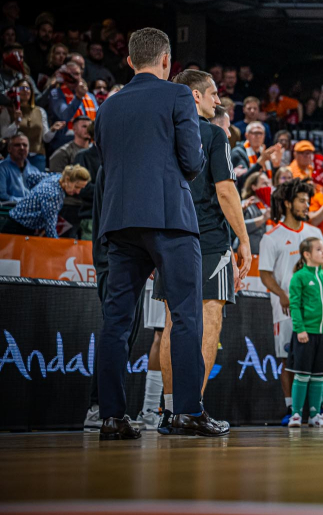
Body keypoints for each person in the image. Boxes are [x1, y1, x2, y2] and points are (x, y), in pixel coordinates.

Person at [94, 28, 224, 439]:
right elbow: (191, 160)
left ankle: (112, 417)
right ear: (166, 61)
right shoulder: (178, 95)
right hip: (170, 218)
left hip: (119, 221)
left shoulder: (107, 107)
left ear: (130, 61)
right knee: (186, 315)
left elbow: (106, 166)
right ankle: (187, 410)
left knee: (116, 322)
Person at [155, 69, 252, 434]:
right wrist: (243, 240)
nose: (218, 101)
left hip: (167, 234)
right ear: (195, 96)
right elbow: (226, 192)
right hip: (208, 238)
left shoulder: (163, 132)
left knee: (172, 322)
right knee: (209, 320)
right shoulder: (213, 133)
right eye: (213, 95)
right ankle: (191, 410)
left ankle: (168, 410)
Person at [258, 178, 323, 424]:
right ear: (288, 204)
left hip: (317, 312)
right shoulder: (272, 236)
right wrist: (282, 294)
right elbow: (265, 274)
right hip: (285, 310)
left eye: (307, 201)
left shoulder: (315, 233)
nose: (306, 205)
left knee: (318, 360)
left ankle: (317, 411)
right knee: (290, 359)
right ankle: (292, 410)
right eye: (301, 201)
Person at [286, 236, 323, 427]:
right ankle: (295, 414)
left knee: (319, 374)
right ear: (307, 254)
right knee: (302, 374)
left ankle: (314, 415)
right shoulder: (299, 277)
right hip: (305, 334)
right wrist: (300, 329)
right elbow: (294, 305)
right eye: (319, 249)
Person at [4, 164, 89, 237]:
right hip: (17, 228)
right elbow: (50, 229)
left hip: (19, 221)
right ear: (67, 179)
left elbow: (31, 177)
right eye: (76, 187)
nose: (78, 192)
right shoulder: (54, 195)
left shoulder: (57, 176)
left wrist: (33, 198)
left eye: (81, 189)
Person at [1, 79, 60, 171]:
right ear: (15, 91)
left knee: (37, 185)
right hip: (16, 157)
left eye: (28, 88)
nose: (25, 90)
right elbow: (4, 134)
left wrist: (52, 130)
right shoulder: (8, 111)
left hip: (38, 157)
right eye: (22, 88)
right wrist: (16, 123)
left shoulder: (40, 111)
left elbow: (45, 138)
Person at [0, 133, 42, 203]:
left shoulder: (35, 171)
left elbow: (39, 195)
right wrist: (25, 202)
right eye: (17, 145)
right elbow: (2, 196)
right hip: (8, 211)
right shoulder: (2, 168)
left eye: (25, 145)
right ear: (9, 149)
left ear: (28, 149)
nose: (22, 148)